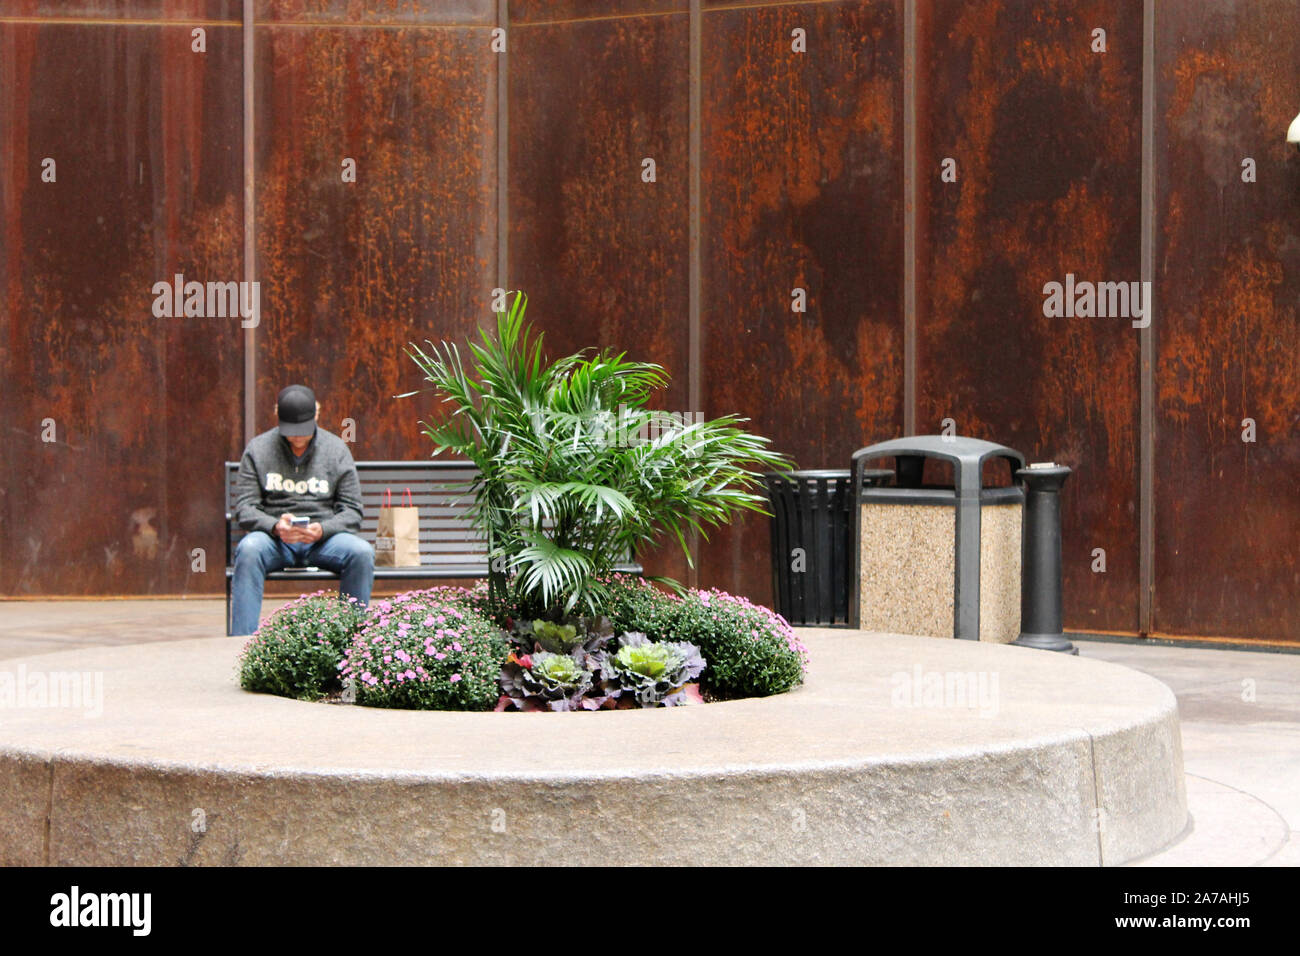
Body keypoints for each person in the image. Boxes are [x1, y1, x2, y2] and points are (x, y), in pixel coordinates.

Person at [229, 385, 374, 635]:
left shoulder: (336, 449)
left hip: (322, 541)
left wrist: (323, 530)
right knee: (249, 549)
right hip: (275, 540)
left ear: (317, 414)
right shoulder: (258, 449)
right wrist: (275, 525)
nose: (297, 438)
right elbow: (245, 508)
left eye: (303, 432)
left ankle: (352, 642)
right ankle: (240, 644)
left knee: (361, 552)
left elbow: (352, 511)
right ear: (277, 416)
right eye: (291, 432)